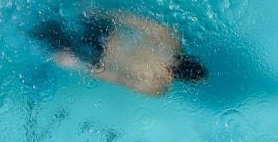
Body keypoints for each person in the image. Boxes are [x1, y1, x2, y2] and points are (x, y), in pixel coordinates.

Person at [30, 8, 208, 98]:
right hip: (97, 51)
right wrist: (78, 64)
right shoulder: (157, 87)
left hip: (102, 35)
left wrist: (103, 13)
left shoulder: (172, 39)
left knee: (43, 24)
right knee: (38, 33)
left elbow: (137, 21)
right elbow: (116, 77)